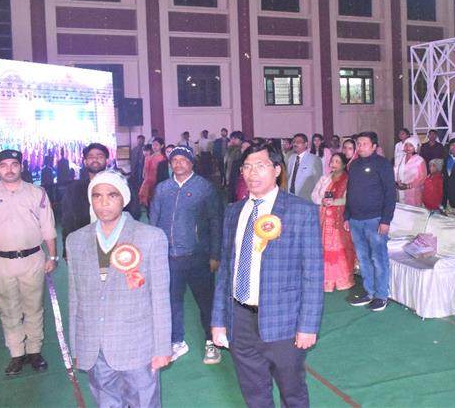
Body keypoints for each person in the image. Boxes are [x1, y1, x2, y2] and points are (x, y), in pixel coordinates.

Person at [211, 143, 323, 407]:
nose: (252, 173)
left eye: (260, 166)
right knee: (254, 393)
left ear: (277, 170)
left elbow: (313, 274)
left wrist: (308, 326)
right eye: (247, 167)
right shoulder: (233, 212)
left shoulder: (300, 211)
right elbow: (225, 271)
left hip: (283, 320)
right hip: (239, 319)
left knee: (293, 392)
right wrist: (218, 320)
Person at [67, 171, 171, 407]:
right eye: (97, 196)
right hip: (95, 346)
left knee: (143, 402)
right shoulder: (75, 240)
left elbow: (160, 298)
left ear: (124, 198)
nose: (104, 202)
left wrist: (162, 347)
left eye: (112, 195)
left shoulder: (150, 237)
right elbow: (75, 299)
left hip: (138, 344)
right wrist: (77, 346)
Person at [0, 149, 58, 375]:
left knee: (34, 307)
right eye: (4, 166)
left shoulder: (37, 193)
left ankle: (34, 351)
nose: (9, 169)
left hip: (32, 259)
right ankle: (17, 353)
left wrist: (53, 256)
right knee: (8, 309)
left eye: (14, 164)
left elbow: (48, 227)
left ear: (21, 167)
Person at [150, 146, 223, 365]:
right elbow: (153, 222)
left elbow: (215, 222)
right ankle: (176, 341)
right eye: (174, 160)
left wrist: (215, 254)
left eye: (183, 160)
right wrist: (154, 253)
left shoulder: (205, 188)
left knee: (206, 302)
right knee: (172, 302)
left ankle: (211, 342)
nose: (178, 164)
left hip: (198, 256)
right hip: (170, 257)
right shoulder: (162, 188)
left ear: (191, 163)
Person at [343, 131, 396, 312]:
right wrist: (347, 216)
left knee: (378, 258)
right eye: (358, 144)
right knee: (363, 258)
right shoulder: (354, 165)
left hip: (375, 220)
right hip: (356, 220)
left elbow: (390, 193)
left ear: (374, 146)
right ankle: (370, 292)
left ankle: (381, 295)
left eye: (364, 144)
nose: (360, 147)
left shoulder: (383, 165)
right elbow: (350, 192)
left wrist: (386, 220)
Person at [62, 143, 141, 258]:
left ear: (107, 161)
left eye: (99, 156)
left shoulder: (121, 185)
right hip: (85, 246)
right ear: (85, 162)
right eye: (90, 157)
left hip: (118, 246)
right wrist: (67, 251)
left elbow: (134, 212)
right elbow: (67, 221)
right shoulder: (74, 189)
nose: (95, 159)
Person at [311, 153, 356, 292]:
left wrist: (333, 202)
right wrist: (322, 201)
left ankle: (342, 279)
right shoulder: (324, 178)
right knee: (325, 247)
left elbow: (349, 199)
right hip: (324, 217)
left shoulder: (348, 180)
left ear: (343, 164)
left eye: (337, 161)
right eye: (332, 161)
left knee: (339, 247)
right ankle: (326, 280)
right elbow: (314, 195)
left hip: (340, 218)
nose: (333, 164)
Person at [284, 133, 323, 202]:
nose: (295, 144)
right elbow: (288, 177)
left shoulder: (314, 159)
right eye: (294, 142)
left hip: (306, 198)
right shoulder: (291, 158)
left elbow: (318, 182)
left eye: (298, 142)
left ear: (306, 144)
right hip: (290, 196)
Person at [395, 136, 427, 207]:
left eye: (411, 145)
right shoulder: (400, 158)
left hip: (413, 191)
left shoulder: (419, 160)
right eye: (406, 145)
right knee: (402, 209)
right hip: (400, 189)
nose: (407, 147)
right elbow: (396, 171)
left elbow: (422, 177)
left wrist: (408, 186)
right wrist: (397, 183)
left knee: (412, 210)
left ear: (415, 147)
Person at [138, 138, 166, 207]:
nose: (154, 146)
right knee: (147, 203)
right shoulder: (148, 157)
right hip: (147, 182)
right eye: (153, 145)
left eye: (156, 145)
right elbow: (144, 172)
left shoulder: (163, 158)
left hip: (157, 183)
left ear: (162, 146)